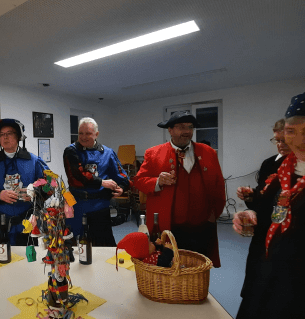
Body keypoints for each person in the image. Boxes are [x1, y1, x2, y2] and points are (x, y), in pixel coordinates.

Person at [233, 93, 305, 319]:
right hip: (264, 281)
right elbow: (266, 213)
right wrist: (250, 214)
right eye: (291, 131)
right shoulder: (280, 173)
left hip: (297, 294)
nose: (298, 140)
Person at [132, 111, 226, 267]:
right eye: (181, 127)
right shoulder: (153, 153)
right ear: (170, 130)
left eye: (190, 127)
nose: (187, 131)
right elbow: (139, 181)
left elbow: (219, 185)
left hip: (201, 226)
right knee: (166, 266)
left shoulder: (208, 152)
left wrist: (214, 214)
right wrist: (158, 181)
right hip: (167, 227)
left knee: (198, 267)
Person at [0, 118, 48, 245]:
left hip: (28, 227)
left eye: (9, 133)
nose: (5, 137)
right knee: (2, 257)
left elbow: (50, 186)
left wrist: (34, 192)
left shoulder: (34, 161)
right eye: (2, 134)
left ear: (18, 136)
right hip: (0, 228)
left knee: (28, 257)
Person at [63, 117, 129, 246]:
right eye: (80, 133)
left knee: (104, 245)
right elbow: (77, 176)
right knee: (74, 245)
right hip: (75, 204)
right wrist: (102, 182)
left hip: (100, 205)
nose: (83, 137)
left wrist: (121, 187)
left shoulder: (108, 153)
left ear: (96, 134)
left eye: (88, 133)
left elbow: (121, 175)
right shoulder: (71, 151)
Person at [236, 118, 291, 203]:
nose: (280, 145)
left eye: (284, 140)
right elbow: (261, 194)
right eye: (277, 140)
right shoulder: (268, 163)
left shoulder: (301, 163)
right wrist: (249, 194)